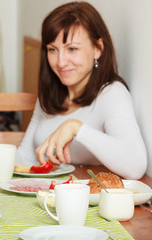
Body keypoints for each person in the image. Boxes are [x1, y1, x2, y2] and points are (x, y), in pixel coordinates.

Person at [15, 1, 147, 180]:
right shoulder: (50, 94)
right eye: (53, 50)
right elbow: (26, 157)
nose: (60, 62)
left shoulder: (111, 94)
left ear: (97, 49)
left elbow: (136, 165)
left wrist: (76, 128)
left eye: (72, 49)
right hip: (50, 197)